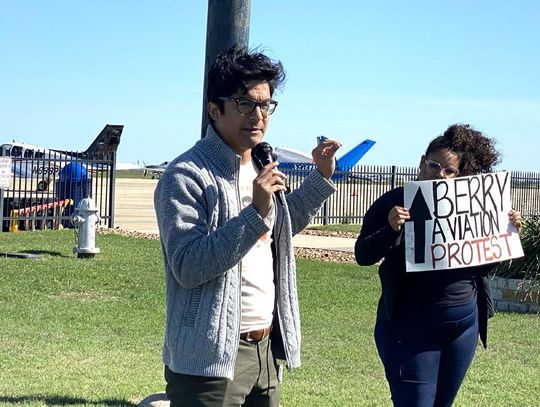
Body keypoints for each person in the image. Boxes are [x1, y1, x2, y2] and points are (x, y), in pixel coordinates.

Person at [154, 45, 341, 407]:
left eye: (265, 104)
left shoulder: (260, 165)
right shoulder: (186, 176)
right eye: (244, 103)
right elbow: (189, 267)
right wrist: (254, 212)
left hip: (265, 352)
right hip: (209, 361)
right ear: (214, 109)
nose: (257, 115)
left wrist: (320, 178)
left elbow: (280, 228)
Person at [355, 124, 522, 407]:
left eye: (449, 171)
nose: (439, 175)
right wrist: (390, 228)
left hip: (462, 328)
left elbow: (482, 268)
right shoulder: (395, 202)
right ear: (422, 162)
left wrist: (506, 234)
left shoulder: (467, 207)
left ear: (459, 175)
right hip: (409, 330)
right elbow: (363, 255)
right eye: (434, 166)